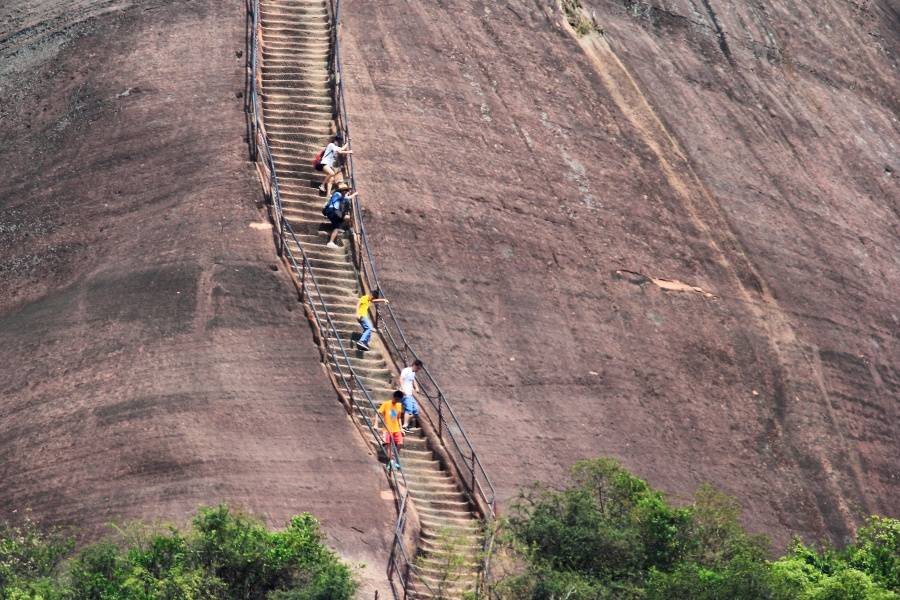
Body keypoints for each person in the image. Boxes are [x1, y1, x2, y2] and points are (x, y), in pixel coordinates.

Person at [322, 183, 356, 249]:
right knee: (339, 223)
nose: (346, 191)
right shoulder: (337, 194)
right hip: (332, 211)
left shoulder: (342, 197)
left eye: (347, 190)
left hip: (334, 212)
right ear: (341, 190)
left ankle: (332, 239)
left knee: (340, 222)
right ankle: (331, 242)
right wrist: (355, 194)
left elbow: (346, 201)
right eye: (345, 190)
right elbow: (347, 197)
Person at [378, 391, 405, 471]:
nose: (397, 401)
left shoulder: (399, 405)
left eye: (399, 400)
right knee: (389, 446)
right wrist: (376, 424)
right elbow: (378, 413)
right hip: (387, 429)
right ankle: (391, 461)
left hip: (396, 429)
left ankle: (394, 458)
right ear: (394, 397)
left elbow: (399, 418)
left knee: (400, 443)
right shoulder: (386, 404)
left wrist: (401, 428)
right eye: (397, 399)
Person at [400, 359, 423, 432]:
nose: (418, 370)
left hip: (410, 394)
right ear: (414, 365)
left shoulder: (413, 373)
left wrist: (416, 387)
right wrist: (403, 390)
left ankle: (406, 423)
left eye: (419, 369)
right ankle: (404, 425)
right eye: (418, 368)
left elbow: (413, 380)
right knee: (409, 409)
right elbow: (401, 379)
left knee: (416, 410)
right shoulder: (406, 370)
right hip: (405, 393)